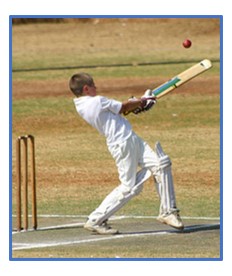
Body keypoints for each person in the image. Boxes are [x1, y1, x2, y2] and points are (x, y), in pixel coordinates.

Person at [69, 72, 184, 235]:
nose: (97, 87)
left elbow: (122, 111)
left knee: (161, 164)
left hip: (130, 138)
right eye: (94, 85)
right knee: (129, 187)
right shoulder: (96, 101)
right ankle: (96, 219)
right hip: (121, 144)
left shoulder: (83, 104)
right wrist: (142, 101)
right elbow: (123, 107)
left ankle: (168, 212)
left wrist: (138, 104)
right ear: (86, 88)